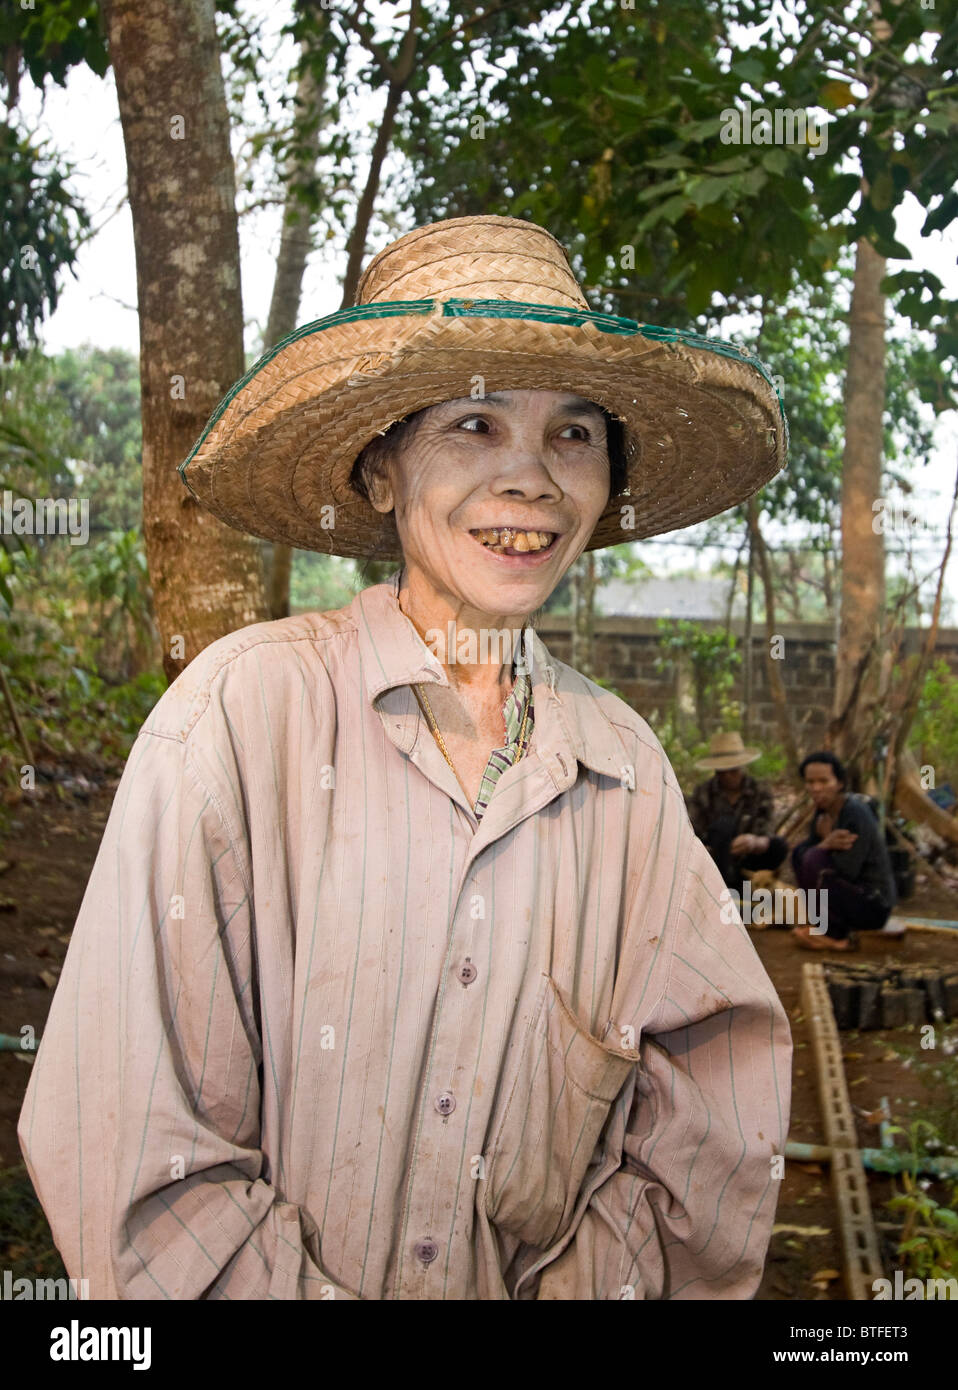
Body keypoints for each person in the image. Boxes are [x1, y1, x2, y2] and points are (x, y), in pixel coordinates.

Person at [19, 215, 791, 1301]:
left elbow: (709, 1119)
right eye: (474, 423)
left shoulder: (623, 771)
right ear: (380, 470)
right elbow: (128, 1142)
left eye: (573, 433)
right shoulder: (243, 717)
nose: (529, 479)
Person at [791, 750, 897, 952]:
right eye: (810, 782)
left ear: (839, 783)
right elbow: (806, 852)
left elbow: (847, 868)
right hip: (850, 898)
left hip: (872, 905)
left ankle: (837, 938)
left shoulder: (854, 814)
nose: (816, 788)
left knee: (813, 857)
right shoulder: (823, 812)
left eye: (823, 781)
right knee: (799, 854)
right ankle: (824, 925)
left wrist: (822, 846)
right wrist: (824, 844)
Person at [687, 731, 788, 898]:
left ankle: (753, 889)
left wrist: (753, 842)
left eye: (733, 770)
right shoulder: (703, 792)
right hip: (714, 860)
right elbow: (694, 829)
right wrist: (712, 848)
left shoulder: (759, 791)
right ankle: (722, 889)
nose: (728, 776)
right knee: (723, 826)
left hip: (749, 861)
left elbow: (767, 830)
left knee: (778, 846)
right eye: (722, 771)